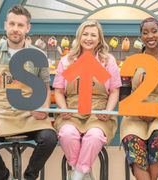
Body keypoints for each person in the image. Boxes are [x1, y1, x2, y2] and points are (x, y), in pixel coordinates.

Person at [0, 5, 57, 180]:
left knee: (49, 138)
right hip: (0, 115)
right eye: (12, 24)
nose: (15, 29)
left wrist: (44, 109)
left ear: (28, 28)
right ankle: (5, 177)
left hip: (29, 115)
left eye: (20, 25)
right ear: (5, 25)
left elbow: (45, 88)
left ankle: (30, 176)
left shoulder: (38, 55)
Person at [52, 20, 121, 180]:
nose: (89, 38)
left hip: (98, 113)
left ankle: (76, 175)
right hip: (72, 112)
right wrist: (63, 109)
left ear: (99, 39)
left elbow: (114, 90)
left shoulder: (107, 60)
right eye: (85, 34)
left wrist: (108, 112)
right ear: (79, 36)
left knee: (94, 136)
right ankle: (84, 172)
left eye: (93, 35)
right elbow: (59, 91)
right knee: (67, 134)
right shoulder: (67, 61)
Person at [120, 17, 158, 180]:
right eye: (145, 32)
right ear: (141, 36)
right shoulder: (131, 62)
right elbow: (124, 93)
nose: (150, 36)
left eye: (154, 31)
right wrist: (137, 110)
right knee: (133, 142)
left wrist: (156, 112)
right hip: (136, 115)